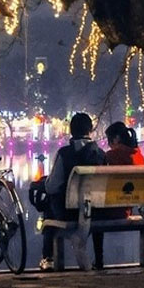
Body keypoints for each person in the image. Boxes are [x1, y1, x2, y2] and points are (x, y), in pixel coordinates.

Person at [40, 112, 106, 271]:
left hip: (69, 212)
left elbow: (52, 186)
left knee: (49, 205)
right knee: (92, 203)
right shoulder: (102, 155)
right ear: (90, 130)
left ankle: (48, 258)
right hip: (96, 212)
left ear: (71, 131)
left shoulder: (65, 154)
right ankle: (99, 258)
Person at [92, 121, 144, 269]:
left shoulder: (111, 156)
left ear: (115, 139)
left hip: (112, 209)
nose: (109, 145)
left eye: (109, 141)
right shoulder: (139, 157)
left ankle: (98, 260)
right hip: (128, 208)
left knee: (94, 211)